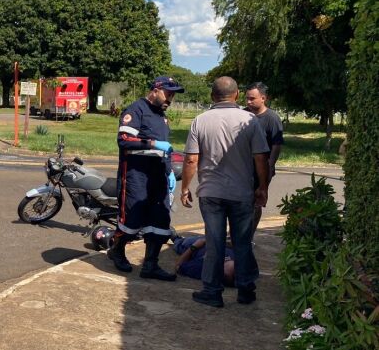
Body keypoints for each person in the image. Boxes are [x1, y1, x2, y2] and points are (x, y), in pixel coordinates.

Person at [180, 76, 269, 307]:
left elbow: (191, 160)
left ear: (212, 96)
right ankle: (246, 290)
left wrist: (185, 188)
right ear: (237, 94)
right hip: (241, 193)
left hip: (211, 193)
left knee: (214, 242)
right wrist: (262, 187)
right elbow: (261, 158)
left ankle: (212, 291)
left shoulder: (200, 121)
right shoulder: (250, 120)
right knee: (242, 242)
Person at [107, 76, 183, 281]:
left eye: (173, 95)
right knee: (132, 218)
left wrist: (169, 171)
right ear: (155, 90)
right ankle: (117, 250)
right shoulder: (136, 110)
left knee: (160, 220)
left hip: (158, 176)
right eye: (168, 93)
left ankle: (150, 265)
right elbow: (124, 140)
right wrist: (153, 144)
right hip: (136, 176)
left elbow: (165, 149)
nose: (170, 99)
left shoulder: (162, 116)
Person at [244, 82, 283, 234]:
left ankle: (249, 236)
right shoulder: (243, 115)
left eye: (252, 98)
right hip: (242, 168)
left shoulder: (272, 118)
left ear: (263, 98)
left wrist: (269, 167)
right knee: (239, 203)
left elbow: (276, 145)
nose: (248, 102)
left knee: (256, 203)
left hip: (261, 169)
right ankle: (237, 234)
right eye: (247, 98)